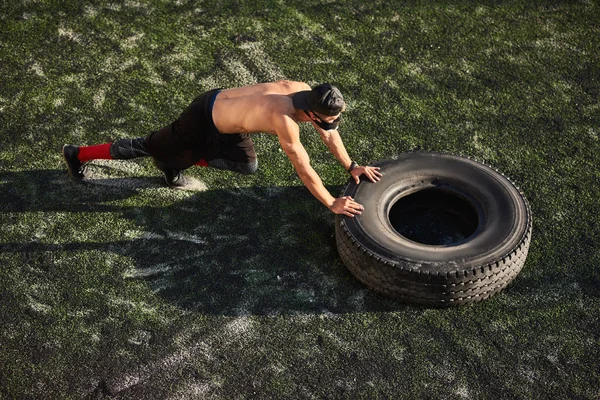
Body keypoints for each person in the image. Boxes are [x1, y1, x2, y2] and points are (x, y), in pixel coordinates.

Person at [62, 80, 382, 217]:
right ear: (312, 112)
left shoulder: (306, 93)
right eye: (329, 118)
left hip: (231, 124)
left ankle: (176, 161)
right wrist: (330, 202)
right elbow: (303, 166)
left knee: (247, 165)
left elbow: (329, 134)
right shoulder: (284, 119)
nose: (332, 122)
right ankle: (77, 153)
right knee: (149, 146)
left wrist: (351, 166)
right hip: (202, 115)